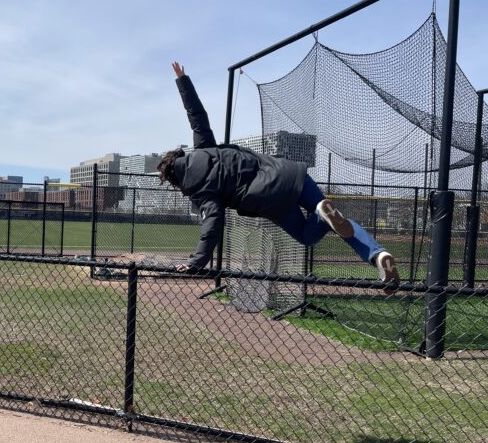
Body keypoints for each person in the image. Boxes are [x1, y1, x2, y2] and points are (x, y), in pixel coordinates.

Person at [162, 62, 399, 293]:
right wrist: (182, 81)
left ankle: (321, 216)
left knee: (307, 236)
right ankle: (378, 255)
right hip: (290, 173)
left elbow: (211, 225)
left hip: (271, 200)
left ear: (176, 180)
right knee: (335, 220)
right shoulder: (204, 149)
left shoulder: (201, 190)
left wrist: (196, 263)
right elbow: (197, 116)